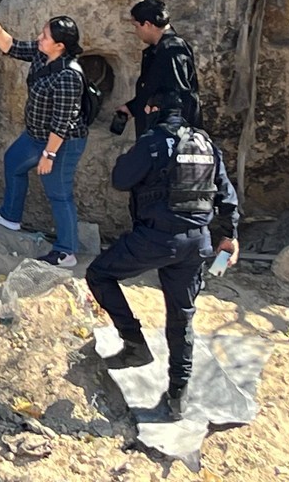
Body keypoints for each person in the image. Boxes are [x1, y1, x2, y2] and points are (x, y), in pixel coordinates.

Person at [85, 92, 239, 422]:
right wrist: (229, 236)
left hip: (156, 238)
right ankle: (177, 396)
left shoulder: (154, 141)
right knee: (181, 318)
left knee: (99, 274)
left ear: (154, 110)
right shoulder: (206, 144)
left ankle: (134, 344)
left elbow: (120, 180)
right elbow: (226, 194)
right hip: (197, 242)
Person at [0, 12, 89, 267]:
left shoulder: (69, 75)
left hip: (61, 143)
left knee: (59, 193)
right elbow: (12, 46)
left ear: (60, 45)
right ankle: (10, 216)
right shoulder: (42, 55)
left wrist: (49, 155)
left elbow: (63, 122)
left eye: (45, 36)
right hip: (36, 135)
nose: (40, 38)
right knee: (13, 162)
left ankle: (65, 251)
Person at [115, 0, 200, 138]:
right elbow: (154, 87)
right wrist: (132, 108)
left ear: (147, 24)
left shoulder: (172, 50)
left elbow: (177, 96)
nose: (136, 32)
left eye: (136, 26)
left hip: (168, 136)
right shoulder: (158, 50)